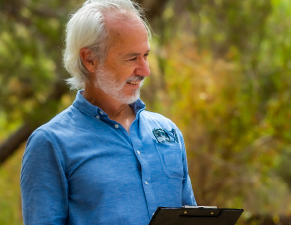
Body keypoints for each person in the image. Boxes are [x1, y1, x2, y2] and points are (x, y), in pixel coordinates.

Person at [20, 0, 196, 224]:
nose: (145, 71)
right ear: (90, 59)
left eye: (146, 56)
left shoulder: (169, 132)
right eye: (132, 58)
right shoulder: (50, 143)